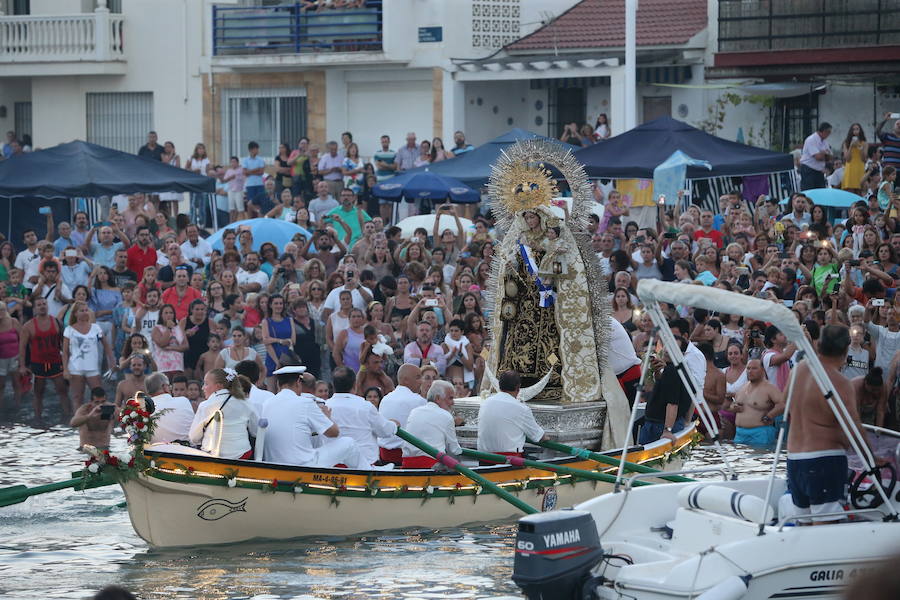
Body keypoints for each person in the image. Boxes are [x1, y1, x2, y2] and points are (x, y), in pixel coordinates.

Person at [787, 325, 870, 522]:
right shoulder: (840, 382)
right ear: (845, 350)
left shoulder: (797, 371)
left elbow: (786, 404)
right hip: (824, 460)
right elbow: (854, 429)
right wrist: (872, 460)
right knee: (826, 526)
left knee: (806, 524)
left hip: (794, 459)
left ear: (820, 345)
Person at [262, 365, 365, 468]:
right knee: (349, 443)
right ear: (298, 382)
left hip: (274, 465)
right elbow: (334, 433)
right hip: (304, 465)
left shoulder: (267, 403)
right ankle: (370, 476)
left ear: (278, 384)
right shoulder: (305, 403)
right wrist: (327, 418)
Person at [325, 366, 398, 466]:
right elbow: (384, 431)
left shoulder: (324, 407)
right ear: (355, 385)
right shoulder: (366, 406)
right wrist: (394, 425)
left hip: (332, 467)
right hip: (364, 468)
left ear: (333, 386)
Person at [189, 368, 258, 459]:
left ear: (218, 386)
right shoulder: (246, 403)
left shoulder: (205, 406)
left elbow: (194, 438)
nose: (202, 388)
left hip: (211, 456)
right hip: (242, 455)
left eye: (206, 384)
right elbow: (255, 431)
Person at [18, 296, 68, 421]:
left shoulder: (56, 322)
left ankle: (68, 416)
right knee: (38, 393)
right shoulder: (28, 326)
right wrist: (22, 366)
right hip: (38, 364)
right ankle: (37, 418)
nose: (42, 306)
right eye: (39, 305)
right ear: (35, 308)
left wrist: (68, 362)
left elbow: (65, 344)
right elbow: (22, 347)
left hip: (56, 361)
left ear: (47, 305)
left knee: (62, 390)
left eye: (44, 304)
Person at [476, 370, 546, 455]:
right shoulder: (522, 409)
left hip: (484, 457)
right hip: (509, 460)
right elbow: (539, 437)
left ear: (499, 385)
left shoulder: (485, 402)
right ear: (518, 387)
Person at [63, 301, 114, 410]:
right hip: (75, 368)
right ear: (76, 313)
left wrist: (112, 361)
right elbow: (65, 352)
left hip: (92, 368)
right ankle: (79, 424)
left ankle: (105, 422)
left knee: (100, 396)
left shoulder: (96, 328)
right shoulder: (69, 330)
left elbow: (107, 346)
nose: (85, 312)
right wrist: (65, 369)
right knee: (77, 397)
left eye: (86, 310)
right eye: (82, 310)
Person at [401, 380, 462, 468]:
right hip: (431, 465)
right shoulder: (446, 416)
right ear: (437, 398)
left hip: (407, 464)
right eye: (450, 398)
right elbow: (454, 450)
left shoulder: (414, 411)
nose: (453, 403)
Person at [376, 363, 425, 465]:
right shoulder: (418, 401)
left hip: (384, 455)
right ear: (406, 380)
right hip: (405, 457)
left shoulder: (385, 398)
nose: (421, 381)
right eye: (418, 378)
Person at [730, 359, 784, 447]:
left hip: (760, 432)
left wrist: (769, 416)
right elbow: (733, 404)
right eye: (748, 368)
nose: (750, 371)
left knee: (760, 459)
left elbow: (782, 404)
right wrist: (734, 407)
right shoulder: (743, 387)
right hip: (740, 433)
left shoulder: (769, 388)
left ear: (763, 370)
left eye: (754, 368)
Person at [146, 372, 195, 444]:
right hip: (187, 450)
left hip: (156, 452)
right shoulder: (184, 400)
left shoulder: (143, 408)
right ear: (165, 387)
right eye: (170, 386)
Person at [70, 387, 118, 451]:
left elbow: (126, 420)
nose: (100, 405)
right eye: (97, 402)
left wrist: (117, 411)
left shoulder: (109, 410)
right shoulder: (85, 409)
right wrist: (89, 416)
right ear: (91, 402)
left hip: (104, 448)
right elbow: (73, 423)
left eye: (103, 402)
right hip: (86, 449)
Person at [799, 122, 833, 190]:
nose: (829, 134)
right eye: (828, 132)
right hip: (808, 170)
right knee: (809, 192)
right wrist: (824, 154)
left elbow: (830, 157)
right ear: (824, 131)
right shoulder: (811, 140)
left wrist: (823, 154)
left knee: (820, 192)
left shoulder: (825, 142)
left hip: (819, 171)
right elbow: (818, 157)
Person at [242, 141, 267, 218]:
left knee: (260, 202)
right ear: (251, 150)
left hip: (260, 184)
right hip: (250, 185)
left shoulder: (260, 160)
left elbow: (261, 172)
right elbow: (245, 172)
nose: (258, 151)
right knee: (250, 203)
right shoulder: (245, 160)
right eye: (256, 149)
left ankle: (260, 217)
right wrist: (256, 169)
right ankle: (250, 219)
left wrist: (249, 171)